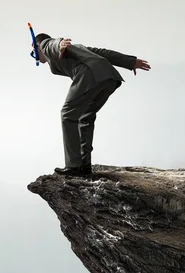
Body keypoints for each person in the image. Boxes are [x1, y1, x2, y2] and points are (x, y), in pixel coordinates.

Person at [32, 33, 151, 177]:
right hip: (109, 79)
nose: (33, 53)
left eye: (33, 49)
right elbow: (102, 53)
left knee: (67, 114)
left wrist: (59, 44)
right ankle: (84, 165)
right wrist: (130, 62)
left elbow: (50, 43)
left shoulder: (46, 46)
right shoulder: (76, 49)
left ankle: (74, 166)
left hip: (89, 76)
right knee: (85, 116)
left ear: (38, 45)